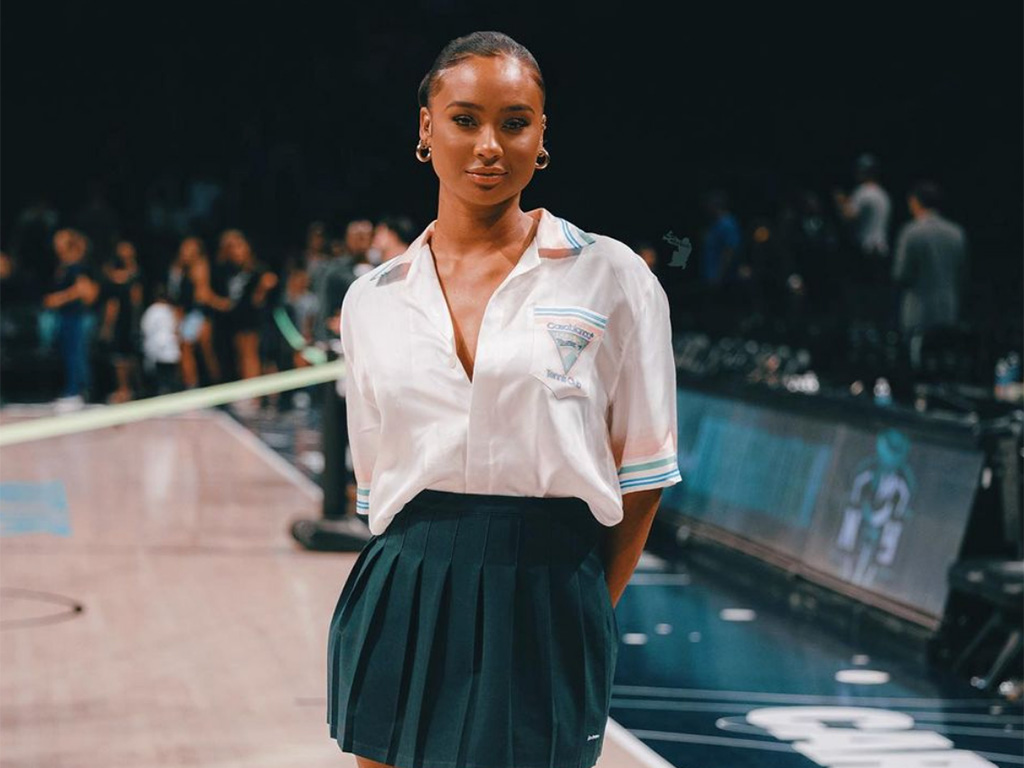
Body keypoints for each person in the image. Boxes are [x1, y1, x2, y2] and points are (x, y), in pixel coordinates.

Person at [326, 31, 682, 768]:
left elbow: (642, 480)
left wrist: (576, 605)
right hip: (404, 586)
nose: (490, 145)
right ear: (426, 128)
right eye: (465, 120)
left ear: (542, 135)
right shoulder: (371, 299)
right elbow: (378, 483)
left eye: (515, 122)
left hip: (550, 594)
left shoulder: (613, 277)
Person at [891, 180, 969, 366]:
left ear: (916, 202)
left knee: (919, 369)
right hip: (949, 311)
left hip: (918, 313)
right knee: (944, 367)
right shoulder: (957, 233)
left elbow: (901, 275)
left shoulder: (911, 232)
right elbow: (963, 274)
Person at [42, 229, 101, 411]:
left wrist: (60, 298)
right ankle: (70, 390)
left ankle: (78, 391)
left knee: (77, 355)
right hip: (66, 317)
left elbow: (86, 292)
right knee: (67, 354)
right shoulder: (62, 267)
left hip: (78, 317)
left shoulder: (78, 268)